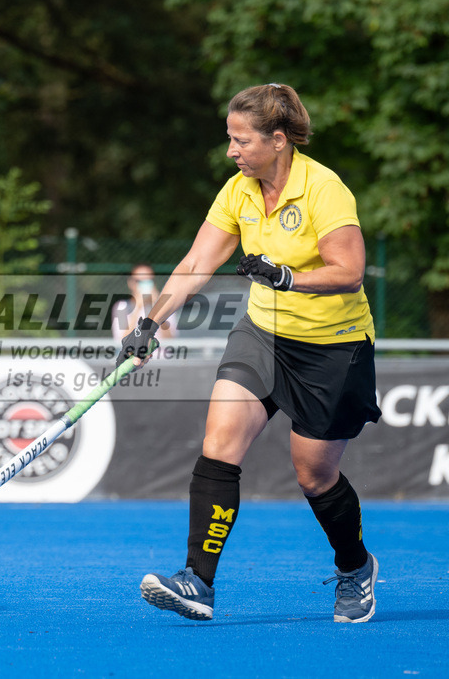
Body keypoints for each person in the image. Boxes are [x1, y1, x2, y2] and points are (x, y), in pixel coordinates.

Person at [117, 83, 381, 623]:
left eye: (242, 140)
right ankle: (197, 581)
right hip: (263, 335)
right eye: (230, 139)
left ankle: (355, 567)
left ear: (278, 140)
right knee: (219, 443)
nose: (232, 151)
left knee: (315, 477)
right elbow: (196, 262)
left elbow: (349, 271)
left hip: (333, 350)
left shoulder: (324, 189)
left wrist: (287, 276)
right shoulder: (238, 189)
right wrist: (151, 320)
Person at [110, 264, 177, 342]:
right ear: (130, 283)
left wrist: (158, 307)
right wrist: (137, 309)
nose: (144, 285)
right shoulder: (122, 306)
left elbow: (171, 339)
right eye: (139, 281)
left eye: (148, 280)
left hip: (160, 354)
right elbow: (122, 341)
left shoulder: (165, 305)